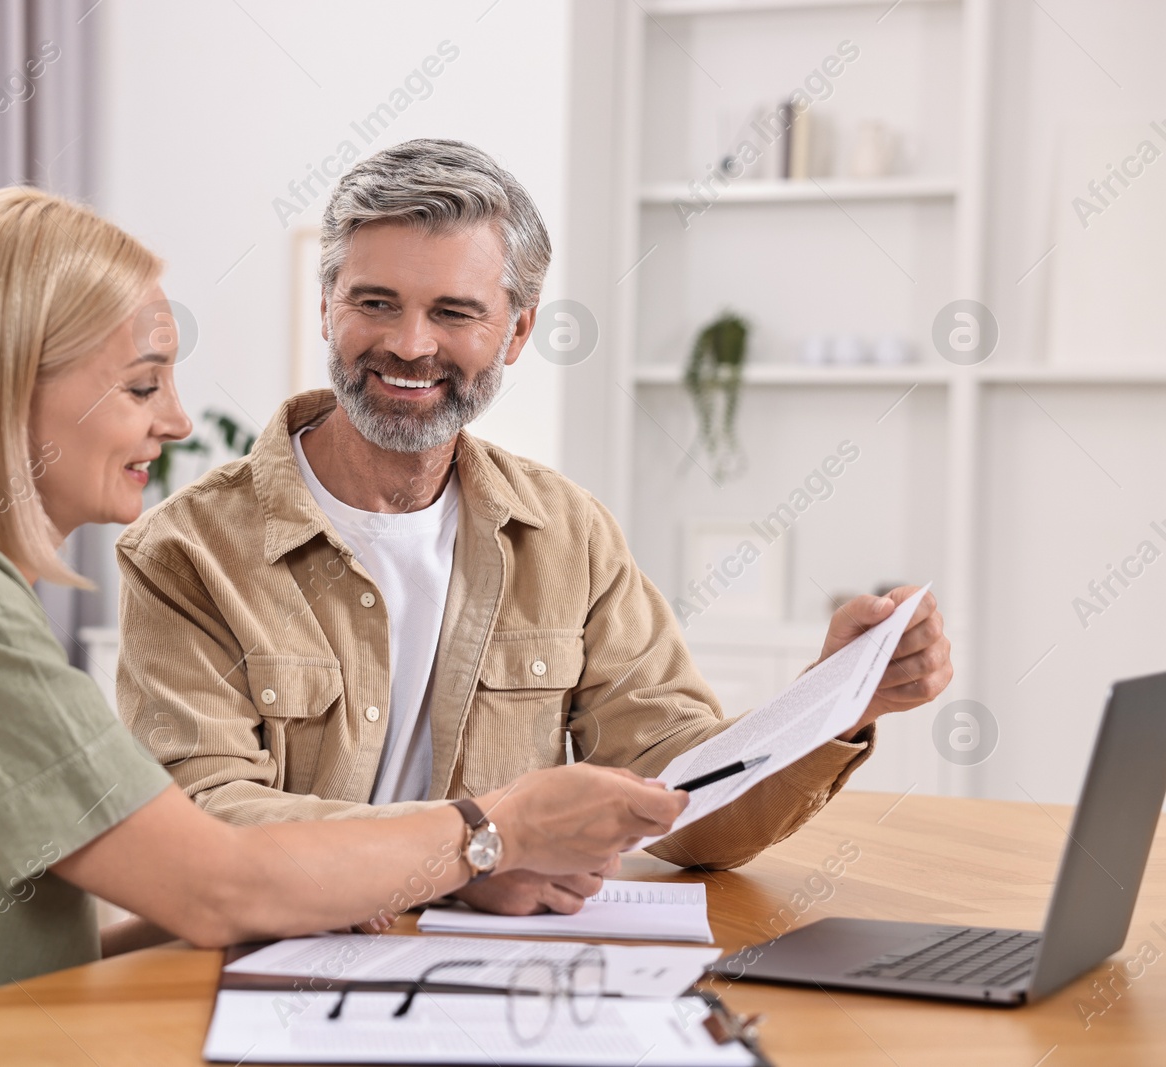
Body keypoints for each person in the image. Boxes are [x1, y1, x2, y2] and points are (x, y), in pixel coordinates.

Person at [0, 187, 689, 1067]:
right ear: (8, 390)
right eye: (141, 382)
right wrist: (488, 830)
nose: (177, 420)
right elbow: (216, 873)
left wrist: (302, 894)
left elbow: (33, 915)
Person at [118, 138, 953, 920]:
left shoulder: (567, 534)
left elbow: (685, 803)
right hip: (271, 978)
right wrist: (481, 849)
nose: (410, 345)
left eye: (454, 312)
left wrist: (834, 701)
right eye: (376, 303)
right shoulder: (186, 551)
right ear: (329, 305)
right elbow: (202, 824)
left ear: (517, 330)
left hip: (502, 984)